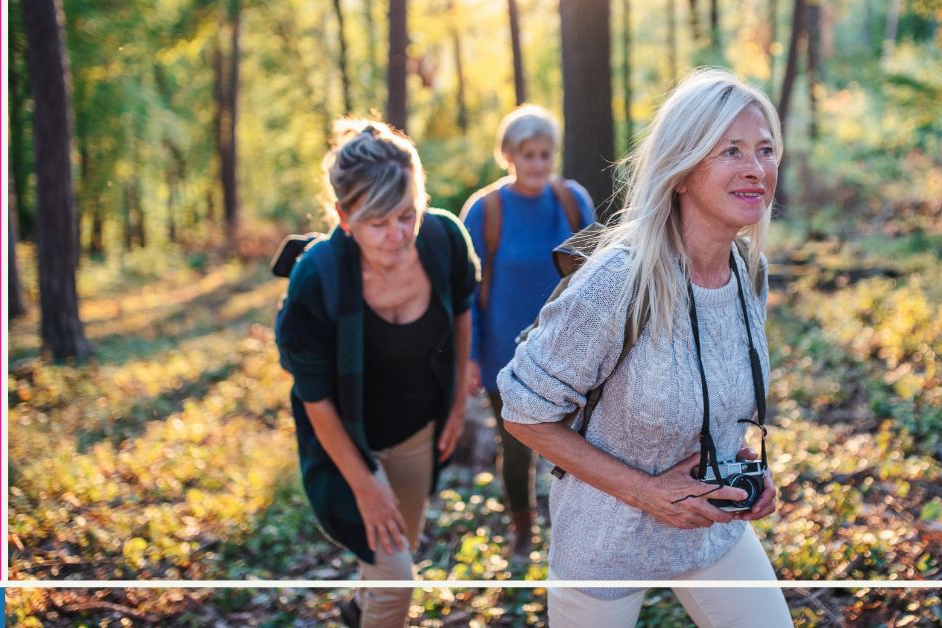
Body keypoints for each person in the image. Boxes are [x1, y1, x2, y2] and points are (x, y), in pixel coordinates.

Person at [496, 68, 793, 626]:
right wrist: (648, 492)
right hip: (604, 545)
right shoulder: (618, 281)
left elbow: (720, 394)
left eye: (766, 150)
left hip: (711, 532)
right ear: (682, 170)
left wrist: (743, 466)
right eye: (730, 150)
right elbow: (521, 409)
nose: (756, 168)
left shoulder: (749, 271)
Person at [274, 119, 479, 628]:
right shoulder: (317, 277)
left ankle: (356, 612)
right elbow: (314, 395)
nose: (398, 235)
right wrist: (365, 484)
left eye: (408, 215)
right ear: (345, 218)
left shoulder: (443, 239)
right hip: (345, 440)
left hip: (417, 430)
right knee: (396, 580)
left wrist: (457, 405)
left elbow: (461, 314)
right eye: (379, 222)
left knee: (395, 553)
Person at [460, 104, 595, 558]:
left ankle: (574, 532)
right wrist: (470, 356)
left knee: (577, 447)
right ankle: (522, 527)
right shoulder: (485, 211)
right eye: (528, 155)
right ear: (510, 156)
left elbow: (598, 275)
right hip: (506, 353)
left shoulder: (572, 201)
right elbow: (467, 292)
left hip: (570, 349)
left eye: (545, 154)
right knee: (518, 446)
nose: (538, 164)